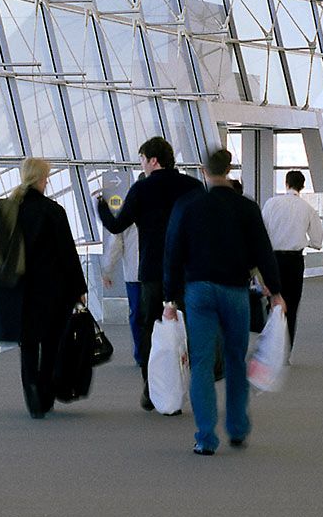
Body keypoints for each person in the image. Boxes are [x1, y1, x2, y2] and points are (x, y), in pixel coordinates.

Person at [163, 146, 283, 456]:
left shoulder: (188, 205)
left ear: (204, 170)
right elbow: (263, 251)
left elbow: (173, 252)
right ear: (228, 171)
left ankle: (205, 437)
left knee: (202, 362)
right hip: (235, 291)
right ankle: (238, 428)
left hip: (198, 291)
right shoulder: (245, 207)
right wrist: (276, 290)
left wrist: (170, 298)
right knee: (234, 359)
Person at [99, 136, 201, 410]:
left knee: (150, 329)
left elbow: (117, 226)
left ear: (153, 160)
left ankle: (152, 389)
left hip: (154, 270)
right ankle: (192, 386)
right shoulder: (193, 187)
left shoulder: (142, 189)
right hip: (188, 271)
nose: (141, 165)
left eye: (142, 160)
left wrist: (101, 207)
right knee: (191, 328)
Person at [0, 159, 88, 416]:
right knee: (51, 342)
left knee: (28, 343)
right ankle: (45, 392)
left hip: (19, 292)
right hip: (51, 291)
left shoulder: (5, 209)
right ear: (42, 178)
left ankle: (31, 391)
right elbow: (67, 254)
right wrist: (79, 288)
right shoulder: (52, 211)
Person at [262, 168, 323, 349]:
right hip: (294, 261)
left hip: (272, 260)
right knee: (292, 303)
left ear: (286, 183)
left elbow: (262, 232)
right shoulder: (308, 209)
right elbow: (316, 241)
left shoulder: (271, 204)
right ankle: (285, 350)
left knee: (273, 300)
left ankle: (270, 345)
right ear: (302, 186)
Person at [93, 169, 140, 361]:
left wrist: (107, 271)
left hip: (135, 273)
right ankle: (156, 351)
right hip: (156, 273)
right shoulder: (165, 212)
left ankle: (142, 354)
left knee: (137, 315)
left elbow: (115, 243)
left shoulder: (128, 214)